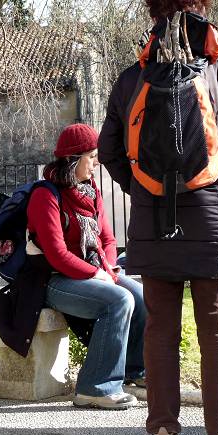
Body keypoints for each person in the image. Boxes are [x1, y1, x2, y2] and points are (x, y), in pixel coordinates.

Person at [98, 0, 218, 435]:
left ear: (153, 14)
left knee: (160, 331)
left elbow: (108, 150)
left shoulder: (132, 80)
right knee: (217, 331)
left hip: (153, 222)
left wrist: (146, 192)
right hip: (214, 222)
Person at [27, 123, 146, 410]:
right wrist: (96, 273)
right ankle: (95, 388)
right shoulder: (45, 195)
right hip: (53, 280)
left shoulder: (90, 191)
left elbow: (107, 238)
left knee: (141, 296)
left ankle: (134, 371)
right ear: (73, 159)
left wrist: (109, 268)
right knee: (119, 300)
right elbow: (56, 255)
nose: (96, 163)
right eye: (91, 157)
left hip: (93, 271)